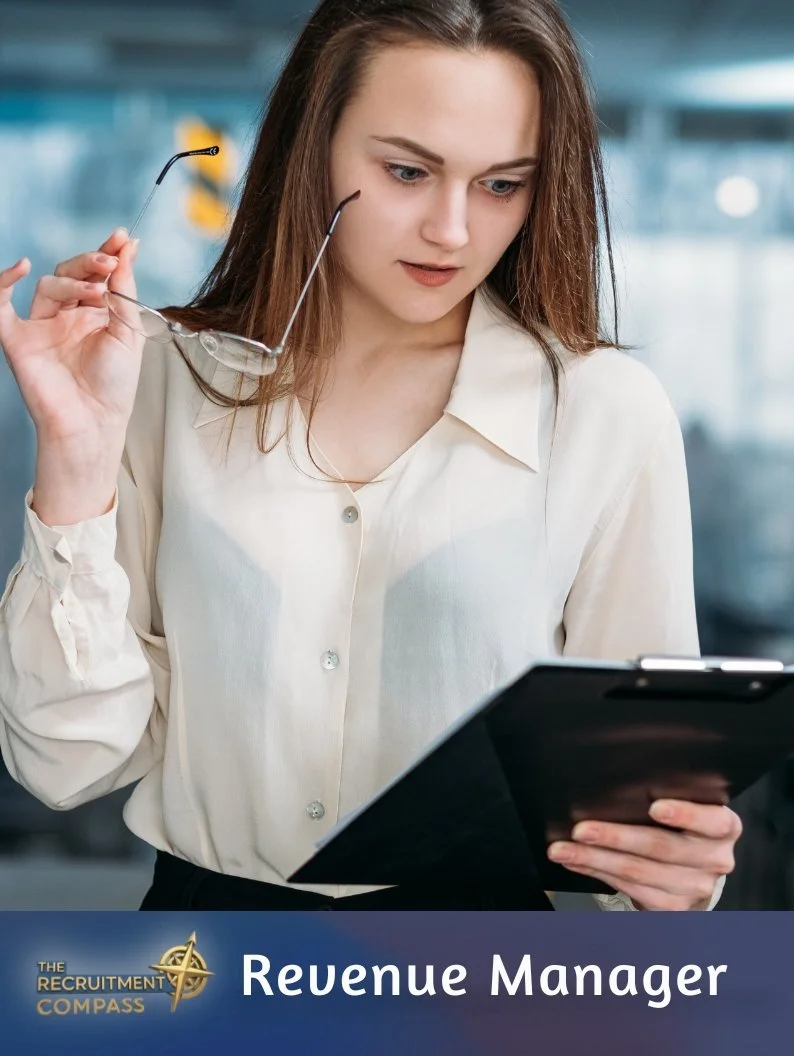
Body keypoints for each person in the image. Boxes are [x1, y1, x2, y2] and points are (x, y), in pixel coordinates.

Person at [0, 0, 740, 911]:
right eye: (405, 171)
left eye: (503, 185)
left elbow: (635, 806)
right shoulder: (162, 379)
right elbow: (70, 763)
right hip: (209, 958)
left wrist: (668, 868)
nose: (453, 231)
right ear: (312, 148)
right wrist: (73, 458)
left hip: (479, 970)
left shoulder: (604, 414)